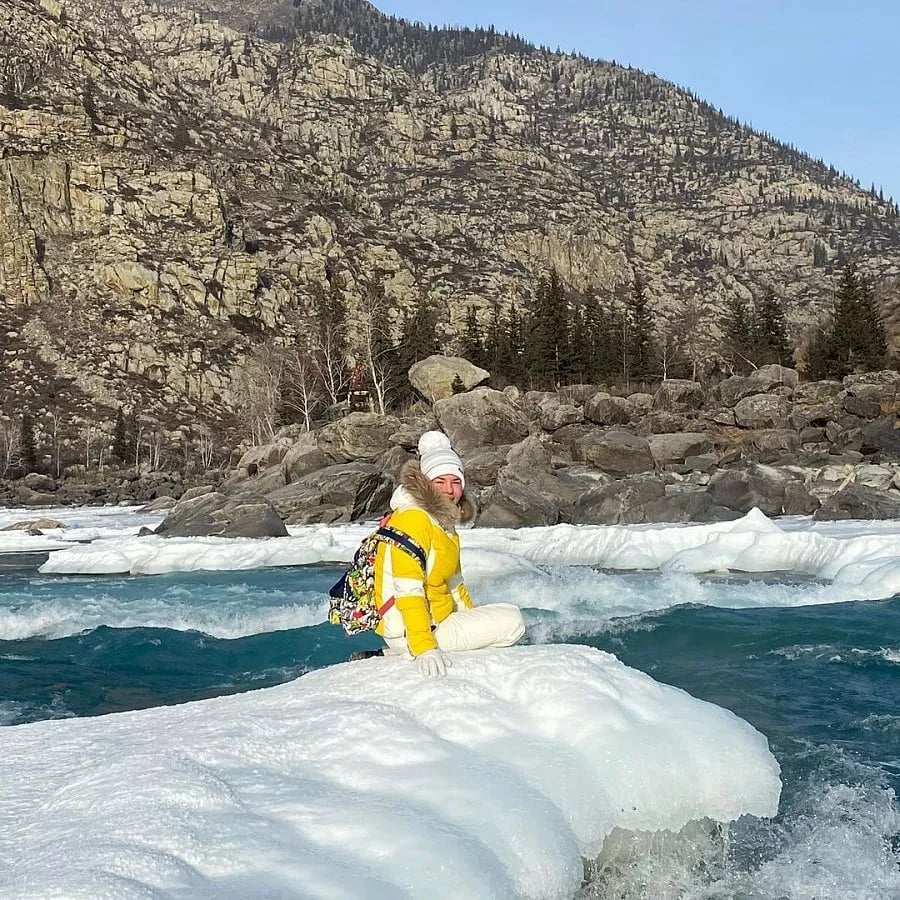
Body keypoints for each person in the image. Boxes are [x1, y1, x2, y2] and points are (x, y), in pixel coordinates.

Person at [373, 430, 525, 676]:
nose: (449, 490)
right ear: (426, 483)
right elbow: (407, 589)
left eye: (455, 482)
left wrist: (471, 618)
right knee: (513, 621)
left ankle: (400, 651)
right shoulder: (413, 519)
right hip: (411, 630)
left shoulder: (443, 525)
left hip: (437, 620)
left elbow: (455, 585)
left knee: (497, 618)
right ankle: (406, 649)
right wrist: (424, 648)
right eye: (440, 481)